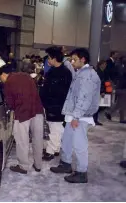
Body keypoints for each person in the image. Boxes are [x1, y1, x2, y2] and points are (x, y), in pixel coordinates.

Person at [50, 48, 101, 184]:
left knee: (79, 144)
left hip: (80, 116)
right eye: (71, 59)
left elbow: (84, 98)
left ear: (83, 59)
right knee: (66, 140)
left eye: (74, 60)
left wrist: (76, 116)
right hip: (74, 114)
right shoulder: (81, 73)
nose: (72, 62)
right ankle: (66, 164)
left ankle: (81, 172)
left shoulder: (88, 75)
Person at [0, 66, 44, 174]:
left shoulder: (8, 82)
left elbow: (10, 102)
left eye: (0, 77)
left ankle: (23, 166)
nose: (1, 80)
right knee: (38, 139)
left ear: (3, 74)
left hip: (23, 113)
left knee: (22, 140)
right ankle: (38, 165)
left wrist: (12, 110)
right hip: (37, 110)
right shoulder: (26, 76)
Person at [40, 46, 72, 161]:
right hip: (52, 105)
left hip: (57, 105)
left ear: (54, 58)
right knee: (56, 129)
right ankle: (56, 148)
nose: (48, 60)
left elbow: (63, 91)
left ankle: (50, 151)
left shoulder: (64, 73)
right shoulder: (55, 72)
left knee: (55, 129)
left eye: (49, 57)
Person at [94, 60, 110, 125]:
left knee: (101, 105)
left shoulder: (102, 72)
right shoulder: (99, 72)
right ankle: (94, 119)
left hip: (100, 91)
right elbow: (99, 83)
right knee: (97, 106)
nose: (105, 65)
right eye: (104, 64)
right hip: (98, 91)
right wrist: (102, 91)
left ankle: (95, 119)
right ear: (101, 64)